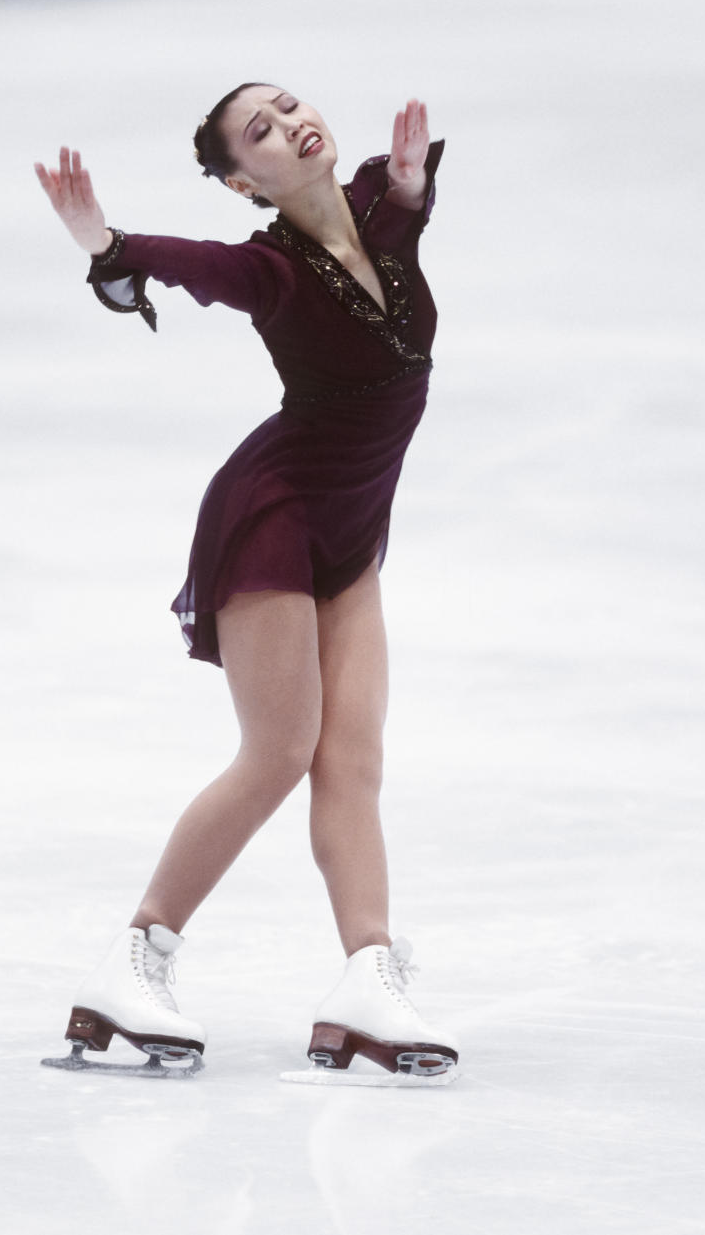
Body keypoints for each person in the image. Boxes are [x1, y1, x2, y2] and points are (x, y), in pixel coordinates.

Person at [34, 84, 458, 1081]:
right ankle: (135, 955)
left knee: (352, 756)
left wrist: (406, 188)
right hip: (277, 515)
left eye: (289, 104)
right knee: (280, 750)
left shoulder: (378, 208)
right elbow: (189, 267)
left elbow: (395, 227)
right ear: (240, 181)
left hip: (352, 529)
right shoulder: (269, 271)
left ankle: (367, 976)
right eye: (258, 132)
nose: (289, 123)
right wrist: (108, 247)